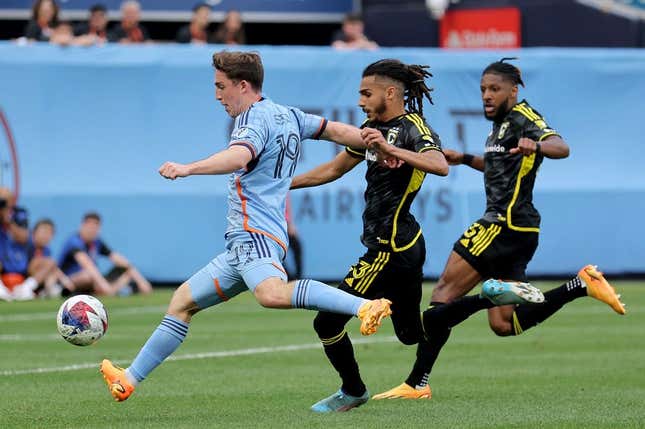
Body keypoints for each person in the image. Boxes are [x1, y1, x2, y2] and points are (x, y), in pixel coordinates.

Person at [99, 50, 393, 403]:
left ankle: (363, 307)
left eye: (221, 87)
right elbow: (335, 130)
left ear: (243, 85)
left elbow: (240, 156)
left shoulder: (253, 120)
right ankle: (128, 378)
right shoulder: (287, 115)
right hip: (242, 246)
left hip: (256, 236)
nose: (217, 95)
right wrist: (373, 140)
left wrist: (187, 168)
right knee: (181, 303)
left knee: (271, 294)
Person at [372, 58, 626, 401]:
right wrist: (464, 158)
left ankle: (418, 383)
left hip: (500, 225)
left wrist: (536, 145)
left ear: (513, 90)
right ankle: (580, 285)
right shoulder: (501, 125)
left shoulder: (524, 117)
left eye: (494, 89)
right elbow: (498, 167)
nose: (486, 96)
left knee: (442, 298)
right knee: (504, 325)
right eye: (482, 90)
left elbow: (561, 147)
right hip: (521, 231)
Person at [59, 212, 153, 296]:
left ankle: (112, 290)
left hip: (93, 279)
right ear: (82, 226)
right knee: (89, 275)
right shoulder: (74, 241)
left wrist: (141, 281)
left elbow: (118, 258)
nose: (92, 230)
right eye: (89, 227)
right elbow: (87, 264)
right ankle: (111, 290)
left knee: (125, 270)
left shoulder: (97, 242)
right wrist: (104, 285)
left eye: (95, 227)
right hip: (68, 279)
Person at [28, 218, 74, 297]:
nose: (46, 236)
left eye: (50, 233)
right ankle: (29, 288)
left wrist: (65, 280)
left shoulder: (47, 250)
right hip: (24, 279)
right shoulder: (28, 246)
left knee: (53, 270)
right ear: (34, 232)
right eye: (44, 232)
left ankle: (49, 290)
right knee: (51, 263)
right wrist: (64, 280)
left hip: (41, 281)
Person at [284, 193, 303, 280]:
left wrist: (290, 223)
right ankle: (289, 278)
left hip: (285, 222)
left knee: (297, 247)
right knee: (277, 253)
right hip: (275, 223)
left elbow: (287, 205)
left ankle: (296, 279)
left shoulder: (283, 183)